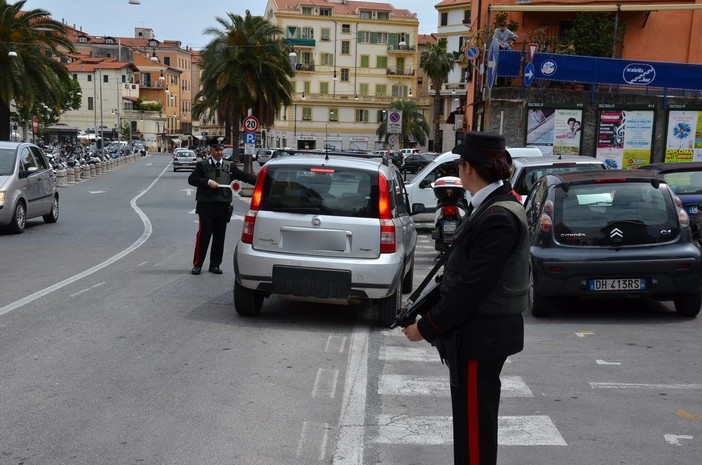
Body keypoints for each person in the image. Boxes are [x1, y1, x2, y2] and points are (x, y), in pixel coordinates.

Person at [402, 131, 529, 465]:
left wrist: (426, 327)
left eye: (461, 162)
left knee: (475, 427)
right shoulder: (490, 206)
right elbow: (461, 277)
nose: (459, 168)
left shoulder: (498, 216)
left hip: (481, 335)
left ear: (469, 168)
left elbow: (474, 287)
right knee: (471, 423)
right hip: (479, 334)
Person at [188, 142, 257, 275]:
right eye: (216, 150)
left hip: (223, 206)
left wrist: (263, 180)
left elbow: (245, 177)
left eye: (221, 150)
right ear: (211, 150)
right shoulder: (202, 165)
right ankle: (198, 265)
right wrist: (207, 182)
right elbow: (192, 179)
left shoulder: (230, 166)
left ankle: (215, 265)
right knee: (204, 235)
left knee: (220, 237)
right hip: (206, 206)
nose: (219, 152)